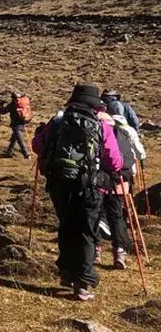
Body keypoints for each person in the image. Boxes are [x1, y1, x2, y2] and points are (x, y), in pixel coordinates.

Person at [32, 84, 123, 301]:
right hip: (89, 185)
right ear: (95, 105)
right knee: (86, 231)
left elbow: (36, 146)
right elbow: (115, 160)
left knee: (67, 225)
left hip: (58, 182)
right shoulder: (102, 125)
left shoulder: (58, 121)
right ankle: (82, 283)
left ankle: (67, 273)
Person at [97, 100, 148, 269]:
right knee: (117, 216)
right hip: (121, 182)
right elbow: (134, 155)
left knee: (95, 215)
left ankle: (95, 249)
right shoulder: (125, 133)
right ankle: (120, 252)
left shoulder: (101, 133)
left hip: (101, 182)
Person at [0, 92, 32, 160]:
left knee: (20, 140)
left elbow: (3, 111)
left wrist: (1, 105)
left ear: (12, 98)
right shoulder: (22, 103)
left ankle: (26, 155)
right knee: (14, 138)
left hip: (16, 125)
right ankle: (9, 152)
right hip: (23, 122)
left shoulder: (12, 104)